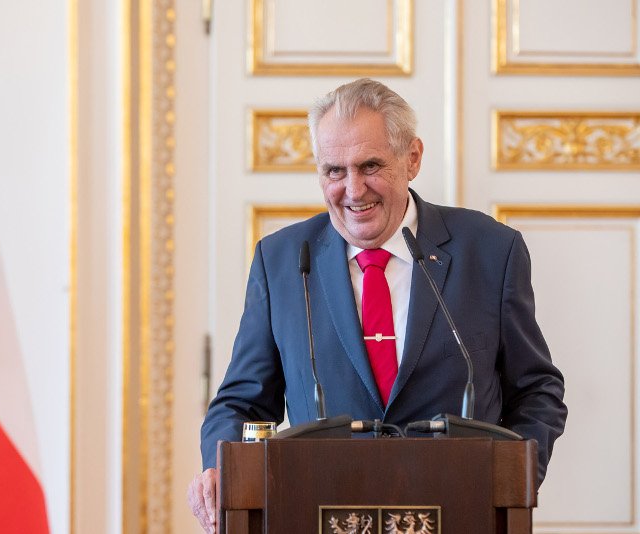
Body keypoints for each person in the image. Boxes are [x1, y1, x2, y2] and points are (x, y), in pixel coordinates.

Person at [187, 79, 567, 533]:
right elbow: (242, 403)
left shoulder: (490, 251)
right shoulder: (284, 260)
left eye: (370, 165)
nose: (352, 189)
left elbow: (536, 391)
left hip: (458, 514)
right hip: (316, 512)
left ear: (412, 158)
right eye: (333, 170)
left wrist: (511, 481)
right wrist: (220, 469)